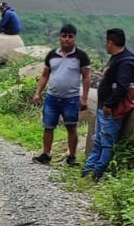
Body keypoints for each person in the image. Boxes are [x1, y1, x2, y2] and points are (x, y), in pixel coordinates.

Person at [83, 28, 134, 181]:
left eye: (106, 42)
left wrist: (109, 104)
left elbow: (122, 86)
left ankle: (98, 172)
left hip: (111, 110)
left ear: (110, 42)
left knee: (107, 142)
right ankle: (88, 170)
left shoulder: (125, 62)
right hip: (104, 107)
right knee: (99, 140)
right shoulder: (117, 58)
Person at [32, 22, 91, 166]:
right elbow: (45, 75)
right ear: (60, 37)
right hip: (52, 97)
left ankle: (71, 157)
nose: (67, 39)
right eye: (64, 36)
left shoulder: (81, 56)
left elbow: (86, 77)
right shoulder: (52, 55)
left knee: (71, 127)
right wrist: (37, 93)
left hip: (70, 99)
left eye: (70, 36)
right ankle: (46, 154)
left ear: (75, 38)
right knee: (48, 126)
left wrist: (84, 98)